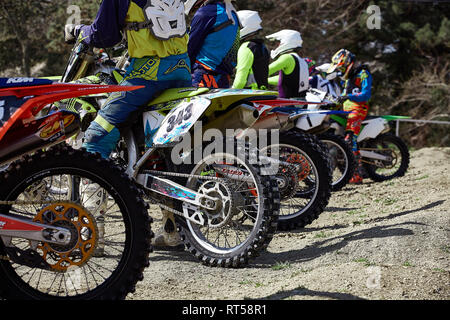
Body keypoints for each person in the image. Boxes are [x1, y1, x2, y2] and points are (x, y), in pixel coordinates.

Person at [66, 0, 193, 251]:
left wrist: (81, 31)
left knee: (95, 137)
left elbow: (104, 34)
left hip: (147, 74)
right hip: (181, 70)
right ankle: (172, 230)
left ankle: (91, 232)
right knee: (161, 148)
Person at [327, 48, 373, 184]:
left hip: (358, 110)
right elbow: (343, 96)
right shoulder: (348, 78)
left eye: (341, 68)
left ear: (348, 63)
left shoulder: (363, 73)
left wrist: (349, 96)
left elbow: (366, 94)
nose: (340, 71)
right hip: (346, 112)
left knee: (349, 139)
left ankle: (357, 174)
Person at [185, 0, 240, 88]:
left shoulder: (206, 12)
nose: (196, 11)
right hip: (224, 79)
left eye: (195, 8)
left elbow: (190, 49)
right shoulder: (232, 13)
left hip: (203, 76)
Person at [232, 10, 270, 90]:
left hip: (249, 95)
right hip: (262, 94)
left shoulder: (246, 48)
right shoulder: (263, 47)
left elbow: (240, 82)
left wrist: (230, 92)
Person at [266, 30, 310, 98]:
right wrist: (265, 80)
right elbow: (286, 79)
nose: (278, 45)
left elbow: (267, 70)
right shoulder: (302, 61)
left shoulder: (287, 57)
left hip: (288, 103)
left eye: (279, 42)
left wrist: (251, 77)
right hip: (301, 102)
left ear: (286, 42)